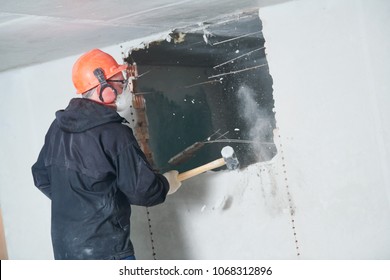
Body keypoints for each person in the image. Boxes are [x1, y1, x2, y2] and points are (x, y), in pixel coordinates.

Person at [31, 49, 181, 260]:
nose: (124, 88)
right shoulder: (115, 133)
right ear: (104, 88)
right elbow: (143, 192)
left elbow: (41, 177)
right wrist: (165, 184)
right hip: (106, 251)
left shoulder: (57, 127)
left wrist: (81, 202)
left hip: (66, 251)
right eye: (120, 82)